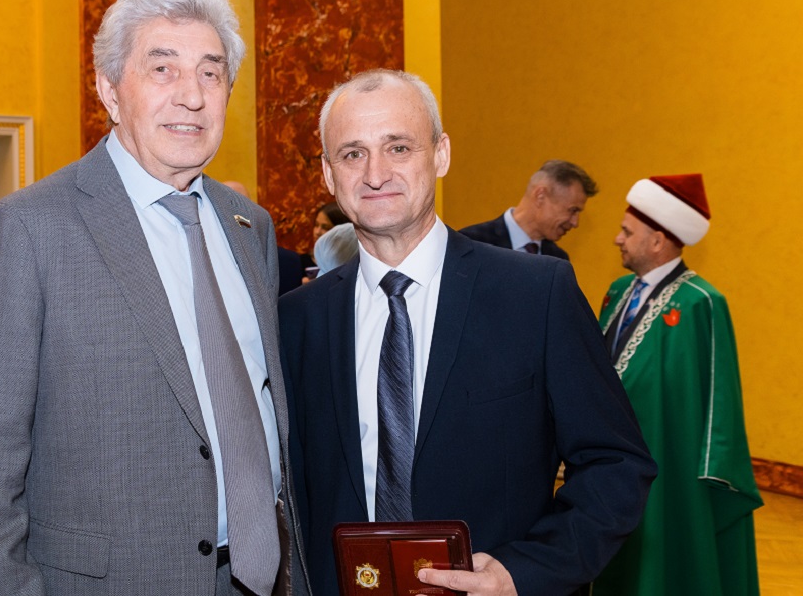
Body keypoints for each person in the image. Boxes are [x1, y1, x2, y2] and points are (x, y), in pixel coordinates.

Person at [0, 0, 308, 594]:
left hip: (258, 575)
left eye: (211, 73)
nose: (192, 95)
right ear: (109, 90)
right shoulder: (26, 229)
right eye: (162, 68)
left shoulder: (249, 226)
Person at [279, 69, 656, 596]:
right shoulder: (296, 319)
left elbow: (615, 463)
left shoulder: (536, 294)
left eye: (399, 147)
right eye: (352, 154)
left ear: (441, 154)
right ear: (327, 174)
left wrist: (524, 571)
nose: (376, 173)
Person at [594, 174, 762, 595]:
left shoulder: (701, 302)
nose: (617, 239)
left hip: (670, 465)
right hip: (612, 461)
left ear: (657, 241)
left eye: (627, 232)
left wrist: (714, 471)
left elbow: (720, 397)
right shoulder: (617, 291)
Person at [461, 159, 597, 260]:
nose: (575, 223)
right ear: (540, 196)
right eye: (573, 210)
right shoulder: (471, 243)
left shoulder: (558, 259)